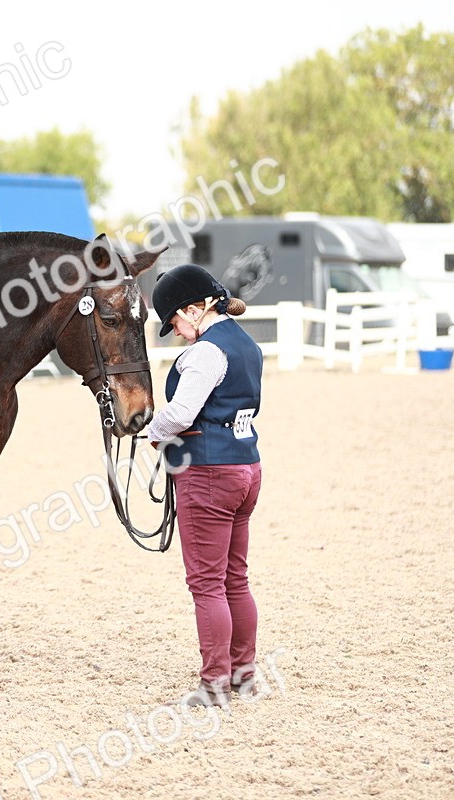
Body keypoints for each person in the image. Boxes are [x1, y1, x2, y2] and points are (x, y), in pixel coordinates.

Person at [147, 264, 262, 710]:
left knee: (207, 583)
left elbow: (180, 414)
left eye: (174, 321)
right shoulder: (246, 345)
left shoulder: (206, 353)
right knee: (235, 577)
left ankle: (215, 682)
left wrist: (150, 431)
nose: (175, 332)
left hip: (209, 472)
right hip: (246, 466)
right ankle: (243, 673)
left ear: (194, 309)